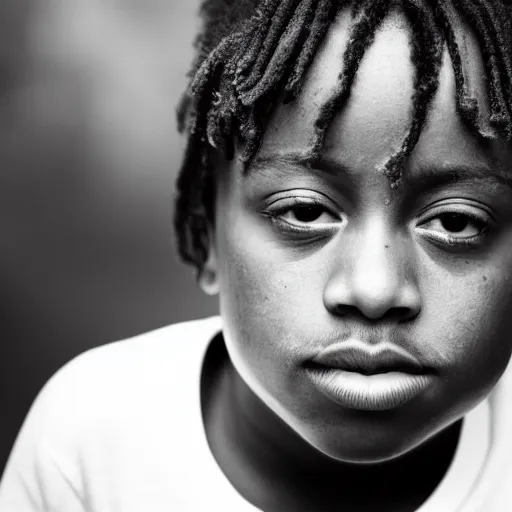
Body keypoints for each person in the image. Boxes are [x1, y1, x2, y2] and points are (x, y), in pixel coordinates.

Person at [2, 0, 512, 510]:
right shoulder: (88, 445)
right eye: (305, 213)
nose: (374, 290)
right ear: (206, 239)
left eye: (455, 221)